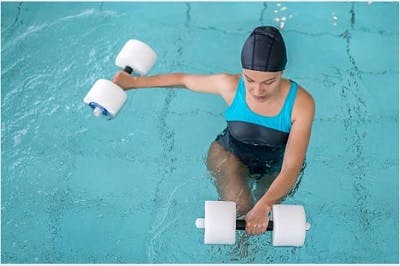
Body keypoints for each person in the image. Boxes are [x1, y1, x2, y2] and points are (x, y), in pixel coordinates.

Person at [112, 26, 315, 236]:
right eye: (250, 79)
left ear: (282, 73)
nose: (257, 90)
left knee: (267, 211)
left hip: (276, 165)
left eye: (268, 82)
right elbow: (185, 81)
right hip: (230, 154)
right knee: (241, 209)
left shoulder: (301, 103)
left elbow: (291, 166)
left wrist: (264, 206)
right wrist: (134, 83)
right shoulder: (230, 85)